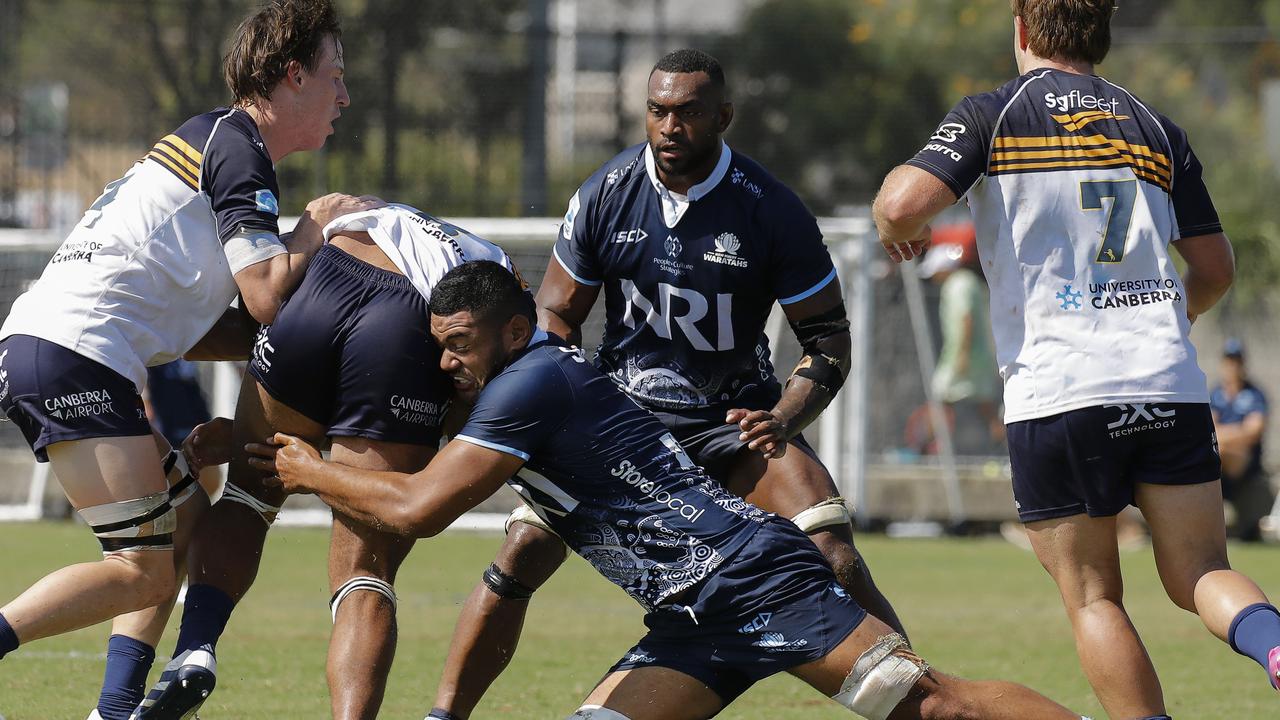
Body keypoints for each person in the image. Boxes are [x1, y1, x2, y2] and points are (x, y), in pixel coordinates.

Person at [247, 260, 1090, 720]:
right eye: (437, 346)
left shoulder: (529, 384)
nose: (444, 363)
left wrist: (306, 467)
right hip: (693, 616)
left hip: (748, 574)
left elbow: (418, 509)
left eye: (458, 343)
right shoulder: (512, 386)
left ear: (513, 329)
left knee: (934, 706)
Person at [428, 48, 905, 720]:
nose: (669, 126)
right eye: (658, 110)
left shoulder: (772, 210)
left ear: (723, 117)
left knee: (832, 550)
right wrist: (560, 405)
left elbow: (828, 344)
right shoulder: (606, 191)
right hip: (620, 418)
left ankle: (920, 699)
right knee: (523, 548)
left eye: (687, 112)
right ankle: (443, 715)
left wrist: (786, 416)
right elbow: (558, 313)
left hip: (735, 421)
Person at [871, 1, 1280, 717]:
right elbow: (1214, 269)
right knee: (1202, 572)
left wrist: (889, 225)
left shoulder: (994, 113)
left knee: (1094, 596)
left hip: (1059, 391)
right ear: (1103, 33)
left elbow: (905, 203)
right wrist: (1158, 322)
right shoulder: (1154, 125)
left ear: (1023, 29)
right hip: (1167, 382)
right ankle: (1274, 645)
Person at [0, 0, 370, 716]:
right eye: (336, 76)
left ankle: (117, 709)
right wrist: (315, 230)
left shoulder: (220, 141)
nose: (345, 96)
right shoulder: (239, 145)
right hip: (74, 354)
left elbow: (210, 328)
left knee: (187, 527)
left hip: (59, 349)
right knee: (139, 569)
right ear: (293, 76)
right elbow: (265, 296)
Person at [134, 203, 520, 720]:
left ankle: (194, 649)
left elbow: (246, 331)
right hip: (405, 315)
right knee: (365, 570)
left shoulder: (363, 216)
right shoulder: (507, 318)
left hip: (322, 277)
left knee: (248, 493)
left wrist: (250, 424)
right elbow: (466, 397)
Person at [916, 223, 1001, 453]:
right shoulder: (970, 281)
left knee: (939, 397)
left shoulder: (958, 284)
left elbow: (966, 319)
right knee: (986, 406)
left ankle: (923, 450)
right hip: (978, 355)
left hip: (963, 356)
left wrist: (962, 355)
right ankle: (1007, 447)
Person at [1210, 338, 1274, 542]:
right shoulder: (1216, 393)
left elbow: (1253, 432)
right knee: (1217, 450)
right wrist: (1234, 432)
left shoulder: (1254, 394)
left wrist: (1223, 436)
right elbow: (1208, 427)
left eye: (1237, 361)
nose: (1233, 366)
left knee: (1220, 449)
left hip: (1246, 460)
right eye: (1229, 361)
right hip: (1223, 454)